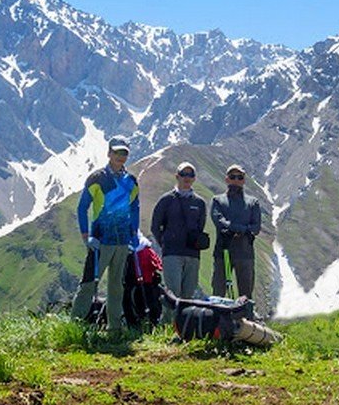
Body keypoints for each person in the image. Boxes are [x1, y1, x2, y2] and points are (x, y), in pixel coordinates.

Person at [71, 135, 140, 333]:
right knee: (88, 284)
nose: (120, 156)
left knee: (117, 287)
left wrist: (133, 238)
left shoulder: (131, 181)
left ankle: (114, 329)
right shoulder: (97, 178)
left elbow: (135, 209)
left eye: (124, 153)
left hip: (122, 242)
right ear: (109, 153)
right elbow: (82, 207)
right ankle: (74, 327)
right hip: (100, 241)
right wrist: (87, 237)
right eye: (117, 152)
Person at [150, 161, 208, 323]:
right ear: (177, 176)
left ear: (194, 178)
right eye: (184, 174)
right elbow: (155, 226)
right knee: (173, 292)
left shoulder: (200, 203)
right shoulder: (166, 200)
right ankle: (166, 326)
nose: (187, 178)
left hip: (192, 254)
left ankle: (183, 327)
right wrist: (166, 244)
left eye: (190, 175)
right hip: (172, 254)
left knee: (188, 294)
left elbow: (200, 225)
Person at [211, 164, 261, 299]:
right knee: (218, 292)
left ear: (244, 180)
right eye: (233, 177)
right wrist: (243, 230)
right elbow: (219, 221)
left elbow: (256, 227)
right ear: (227, 179)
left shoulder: (253, 202)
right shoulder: (218, 200)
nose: (236, 180)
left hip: (245, 254)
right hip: (223, 252)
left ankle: (246, 318)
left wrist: (233, 229)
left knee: (246, 294)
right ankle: (217, 319)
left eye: (240, 177)